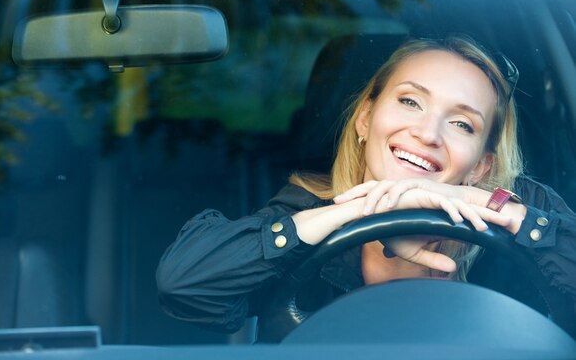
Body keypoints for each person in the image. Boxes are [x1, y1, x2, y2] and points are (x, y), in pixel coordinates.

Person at [156, 36, 576, 338]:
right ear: (364, 119)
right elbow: (184, 286)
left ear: (482, 166)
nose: (428, 133)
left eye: (462, 124)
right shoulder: (310, 209)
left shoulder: (523, 209)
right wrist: (359, 210)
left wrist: (500, 212)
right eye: (410, 101)